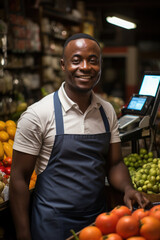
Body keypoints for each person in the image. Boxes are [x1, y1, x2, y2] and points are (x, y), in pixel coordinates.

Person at [9, 33, 150, 240]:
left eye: (93, 61)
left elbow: (115, 162)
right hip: (52, 224)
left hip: (99, 220)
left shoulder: (106, 110)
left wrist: (128, 188)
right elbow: (19, 178)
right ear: (63, 65)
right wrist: (23, 234)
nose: (85, 67)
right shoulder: (38, 114)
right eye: (76, 60)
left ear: (100, 66)